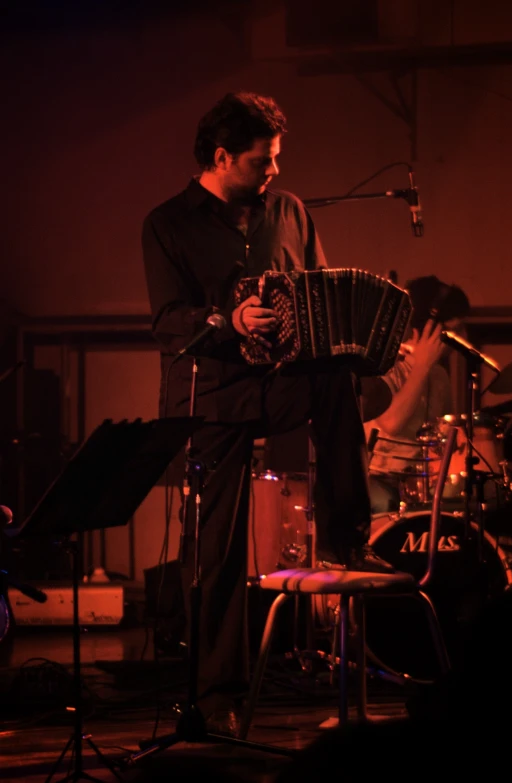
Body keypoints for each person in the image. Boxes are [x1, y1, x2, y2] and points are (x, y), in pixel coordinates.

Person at [141, 91, 395, 728]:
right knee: (215, 552)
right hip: (214, 392)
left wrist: (348, 336)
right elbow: (167, 322)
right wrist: (227, 317)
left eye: (277, 158)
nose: (275, 171)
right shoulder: (166, 223)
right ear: (223, 157)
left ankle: (346, 539)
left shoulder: (289, 211)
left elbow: (319, 287)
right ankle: (214, 697)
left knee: (336, 374)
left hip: (280, 380)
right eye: (263, 161)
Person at [365, 275, 471, 514]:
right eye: (454, 330)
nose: (461, 338)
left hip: (423, 482)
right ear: (431, 328)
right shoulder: (385, 365)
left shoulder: (440, 377)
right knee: (380, 501)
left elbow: (443, 437)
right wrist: (421, 367)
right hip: (379, 479)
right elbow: (391, 422)